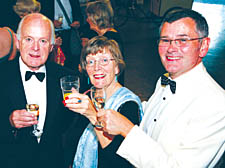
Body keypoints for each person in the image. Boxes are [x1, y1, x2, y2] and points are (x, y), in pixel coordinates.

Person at [96, 8, 225, 168]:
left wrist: (126, 129)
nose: (171, 48)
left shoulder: (216, 104)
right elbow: (151, 117)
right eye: (165, 40)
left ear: (203, 45)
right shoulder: (165, 79)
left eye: (182, 40)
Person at [0, 13, 80, 168]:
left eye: (42, 41)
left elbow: (73, 127)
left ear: (51, 47)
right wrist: (8, 122)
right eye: (29, 39)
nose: (35, 48)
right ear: (18, 42)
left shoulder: (67, 79)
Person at [64, 36, 143, 167]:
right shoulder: (85, 96)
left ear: (117, 67)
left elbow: (121, 162)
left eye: (104, 60)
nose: (97, 67)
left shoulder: (128, 104)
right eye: (90, 62)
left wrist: (92, 115)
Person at [81, 0, 125, 85]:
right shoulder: (107, 35)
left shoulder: (110, 40)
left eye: (88, 16)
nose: (87, 20)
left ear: (95, 18)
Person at [39, 0, 83, 70]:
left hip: (70, 34)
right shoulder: (45, 1)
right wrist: (51, 23)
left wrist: (78, 22)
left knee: (72, 62)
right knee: (55, 63)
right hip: (53, 35)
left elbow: (79, 14)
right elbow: (40, 16)